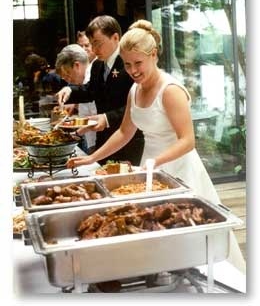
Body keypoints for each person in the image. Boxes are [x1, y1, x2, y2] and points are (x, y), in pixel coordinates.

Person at [66, 19, 245, 273]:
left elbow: (187, 140)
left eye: (138, 63)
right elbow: (124, 132)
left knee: (190, 235)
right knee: (155, 230)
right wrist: (90, 157)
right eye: (127, 64)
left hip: (180, 168)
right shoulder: (134, 91)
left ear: (153, 55)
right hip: (151, 169)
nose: (133, 70)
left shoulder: (170, 90)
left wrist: (156, 161)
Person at [56, 15, 144, 165]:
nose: (95, 50)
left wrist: (108, 118)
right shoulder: (97, 65)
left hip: (130, 140)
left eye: (98, 43)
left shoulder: (129, 63)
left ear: (115, 37)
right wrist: (70, 90)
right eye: (92, 44)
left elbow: (139, 104)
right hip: (104, 138)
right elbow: (91, 91)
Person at [55, 43, 97, 154]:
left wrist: (77, 133)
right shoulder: (83, 83)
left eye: (68, 75)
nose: (69, 81)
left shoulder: (92, 78)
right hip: (90, 141)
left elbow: (95, 118)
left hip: (99, 142)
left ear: (77, 65)